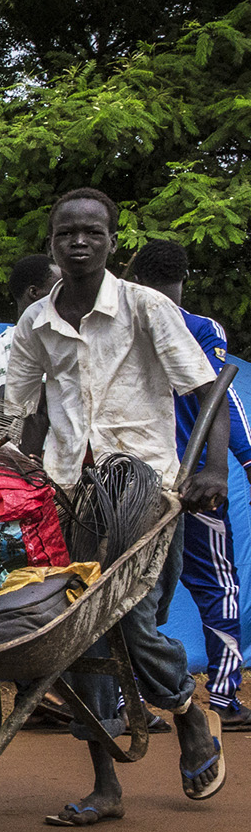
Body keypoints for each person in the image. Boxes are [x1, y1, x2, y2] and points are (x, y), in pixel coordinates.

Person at [3, 188, 230, 827]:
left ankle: (185, 711)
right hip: (70, 495)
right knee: (77, 631)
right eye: (66, 233)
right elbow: (21, 410)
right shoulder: (36, 324)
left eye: (92, 232)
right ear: (52, 243)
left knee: (128, 619)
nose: (79, 242)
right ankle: (106, 784)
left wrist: (213, 465)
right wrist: (14, 482)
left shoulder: (145, 307)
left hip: (146, 490)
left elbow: (205, 384)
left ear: (110, 240)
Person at [129, 238, 251, 730]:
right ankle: (222, 696)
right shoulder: (200, 329)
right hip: (196, 482)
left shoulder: (121, 331)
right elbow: (222, 401)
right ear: (183, 280)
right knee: (217, 586)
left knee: (126, 590)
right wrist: (233, 462)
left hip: (130, 487)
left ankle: (129, 698)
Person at [0, 253, 57, 418]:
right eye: (57, 291)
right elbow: (30, 409)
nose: (66, 297)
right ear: (34, 293)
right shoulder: (24, 342)